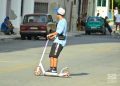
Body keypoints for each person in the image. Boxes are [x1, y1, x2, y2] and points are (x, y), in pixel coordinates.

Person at [47, 7, 67, 73]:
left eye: (57, 13)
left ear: (59, 14)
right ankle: (51, 68)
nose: (56, 14)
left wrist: (50, 34)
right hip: (57, 40)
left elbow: (59, 32)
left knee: (55, 55)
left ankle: (54, 69)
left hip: (60, 41)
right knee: (51, 55)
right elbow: (57, 34)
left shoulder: (63, 21)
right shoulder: (60, 21)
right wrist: (52, 37)